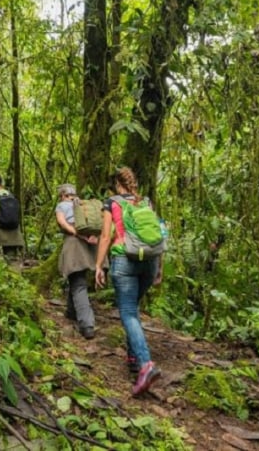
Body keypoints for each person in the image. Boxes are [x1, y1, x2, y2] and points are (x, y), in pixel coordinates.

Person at [94, 166, 163, 396]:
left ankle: (145, 364)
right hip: (150, 262)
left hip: (124, 259)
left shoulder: (112, 203)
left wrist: (98, 265)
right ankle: (134, 357)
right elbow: (157, 235)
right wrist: (159, 268)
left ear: (117, 184)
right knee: (134, 309)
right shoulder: (145, 203)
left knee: (128, 313)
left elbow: (105, 236)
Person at [54, 184, 98, 339]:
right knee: (77, 278)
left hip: (74, 244)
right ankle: (71, 312)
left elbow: (62, 222)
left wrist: (74, 232)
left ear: (63, 195)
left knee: (78, 283)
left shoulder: (62, 205)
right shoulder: (83, 205)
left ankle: (87, 325)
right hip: (91, 246)